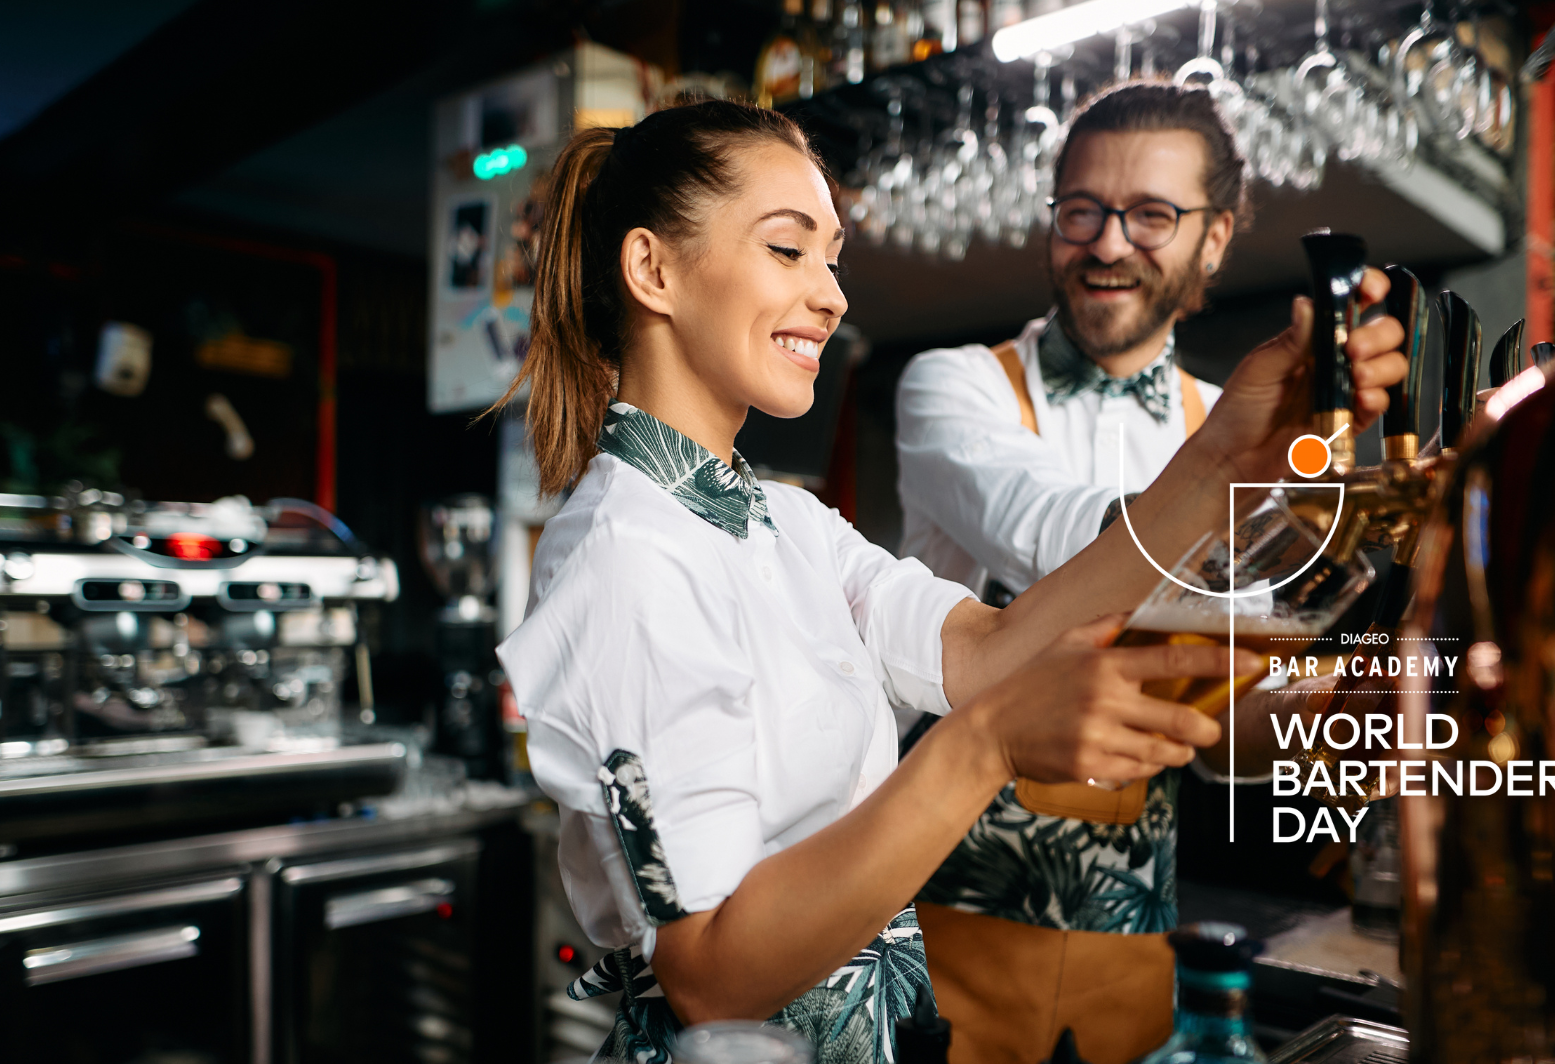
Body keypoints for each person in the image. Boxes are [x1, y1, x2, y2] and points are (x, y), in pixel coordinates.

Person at [493, 96, 1403, 1064]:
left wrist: (1222, 452)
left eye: (832, 256)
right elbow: (712, 973)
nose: (834, 295)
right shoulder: (624, 554)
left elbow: (987, 650)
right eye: (789, 250)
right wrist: (990, 745)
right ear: (653, 269)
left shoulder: (784, 522)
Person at [892, 82, 1348, 1064]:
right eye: (1082, 211)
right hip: (939, 936)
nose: (1107, 244)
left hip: (1135, 953)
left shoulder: (1233, 424)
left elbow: (1226, 726)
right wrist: (1224, 471)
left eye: (1152, 215)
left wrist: (1338, 704)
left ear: (1215, 238)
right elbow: (1052, 532)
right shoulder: (954, 386)